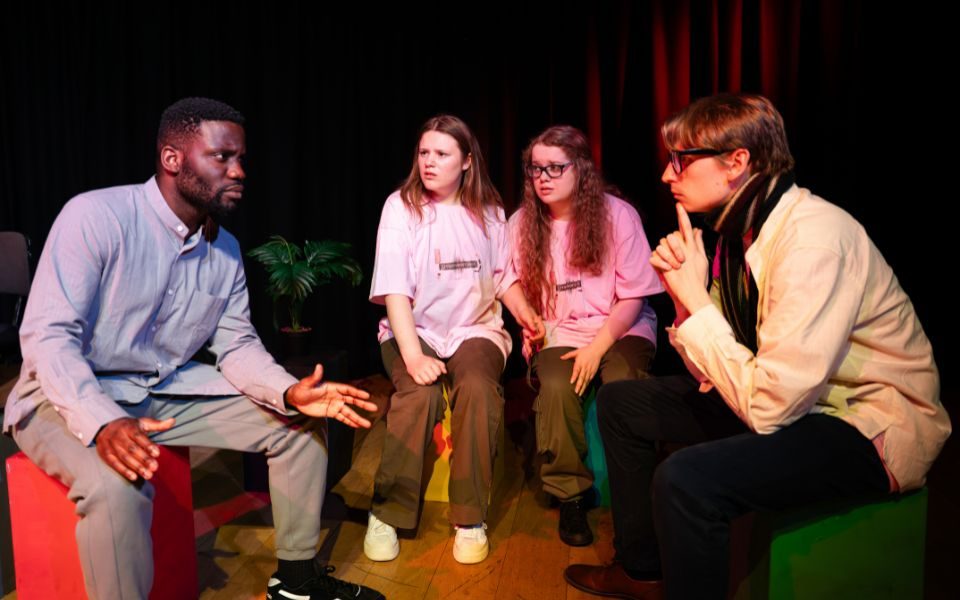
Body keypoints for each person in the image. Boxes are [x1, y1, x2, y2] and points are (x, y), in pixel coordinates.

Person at [564, 93, 951, 599]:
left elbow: (769, 408)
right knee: (622, 403)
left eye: (680, 160)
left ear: (737, 162)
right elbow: (722, 367)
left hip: (865, 421)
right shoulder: (741, 231)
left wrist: (697, 302)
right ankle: (644, 572)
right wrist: (690, 300)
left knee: (685, 482)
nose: (666, 175)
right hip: (794, 399)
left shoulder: (812, 239)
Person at [3, 97, 384, 600]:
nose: (239, 171)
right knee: (118, 488)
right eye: (222, 157)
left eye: (241, 158)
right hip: (65, 393)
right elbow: (48, 338)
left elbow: (237, 346)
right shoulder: (95, 217)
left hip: (159, 392)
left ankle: (295, 582)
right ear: (172, 159)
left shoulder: (222, 249)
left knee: (297, 427)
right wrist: (101, 420)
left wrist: (290, 393)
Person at [367, 114, 544, 565]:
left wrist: (525, 314)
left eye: (441, 154)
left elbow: (502, 277)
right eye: (424, 153)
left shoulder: (488, 211)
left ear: (466, 161)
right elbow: (394, 291)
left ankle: (470, 518)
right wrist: (412, 355)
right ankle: (388, 512)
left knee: (480, 390)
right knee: (417, 394)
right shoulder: (400, 208)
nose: (429, 162)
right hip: (414, 330)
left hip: (474, 329)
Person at [509, 125, 662, 546]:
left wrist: (597, 349)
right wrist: (528, 317)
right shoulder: (522, 222)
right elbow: (505, 279)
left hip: (621, 325)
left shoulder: (618, 214)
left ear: (581, 170)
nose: (543, 177)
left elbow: (633, 296)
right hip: (561, 331)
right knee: (557, 385)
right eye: (535, 168)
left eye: (555, 167)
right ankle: (571, 496)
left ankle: (637, 494)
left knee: (624, 382)